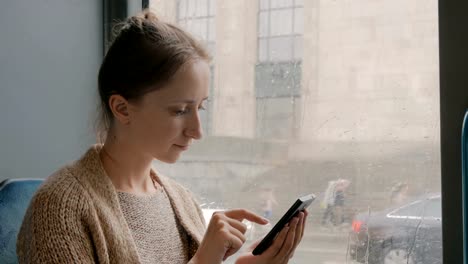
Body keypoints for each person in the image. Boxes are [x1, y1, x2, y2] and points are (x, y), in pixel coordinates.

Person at [16, 10, 308, 264]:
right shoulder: (58, 208)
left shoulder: (182, 201)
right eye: (180, 110)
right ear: (121, 108)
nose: (197, 130)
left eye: (200, 107)